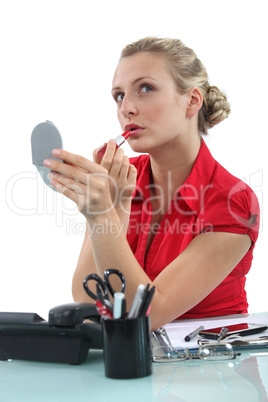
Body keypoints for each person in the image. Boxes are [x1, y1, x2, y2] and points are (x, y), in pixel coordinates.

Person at [44, 37, 259, 331]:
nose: (126, 108)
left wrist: (103, 212)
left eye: (145, 88)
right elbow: (87, 298)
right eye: (119, 95)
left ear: (192, 101)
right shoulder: (123, 177)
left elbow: (147, 315)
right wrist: (113, 210)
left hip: (213, 369)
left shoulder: (233, 201)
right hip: (137, 365)